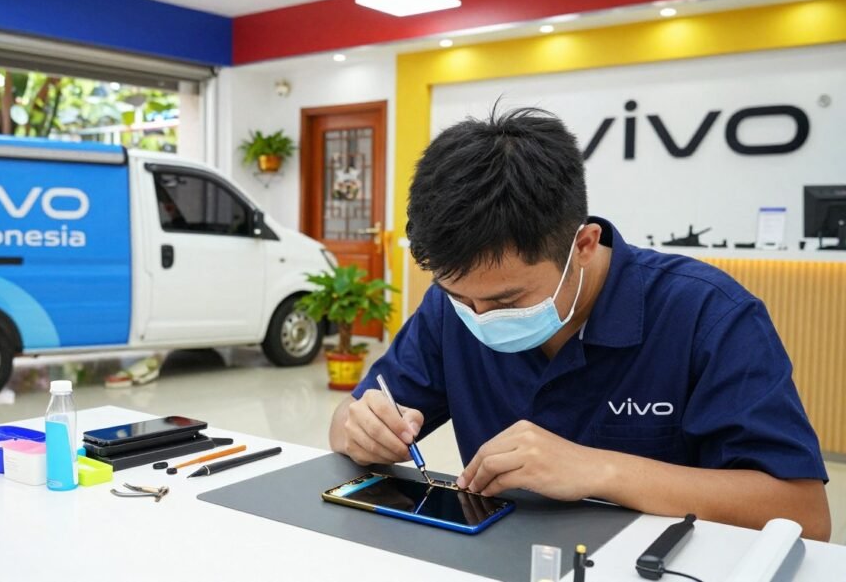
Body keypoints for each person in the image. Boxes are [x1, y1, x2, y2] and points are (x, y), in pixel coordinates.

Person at [327, 107, 831, 540]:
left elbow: (804, 515)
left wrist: (600, 469)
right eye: (460, 297)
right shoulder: (452, 307)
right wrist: (360, 430)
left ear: (583, 246)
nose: (480, 318)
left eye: (508, 299)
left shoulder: (707, 314)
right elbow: (345, 423)